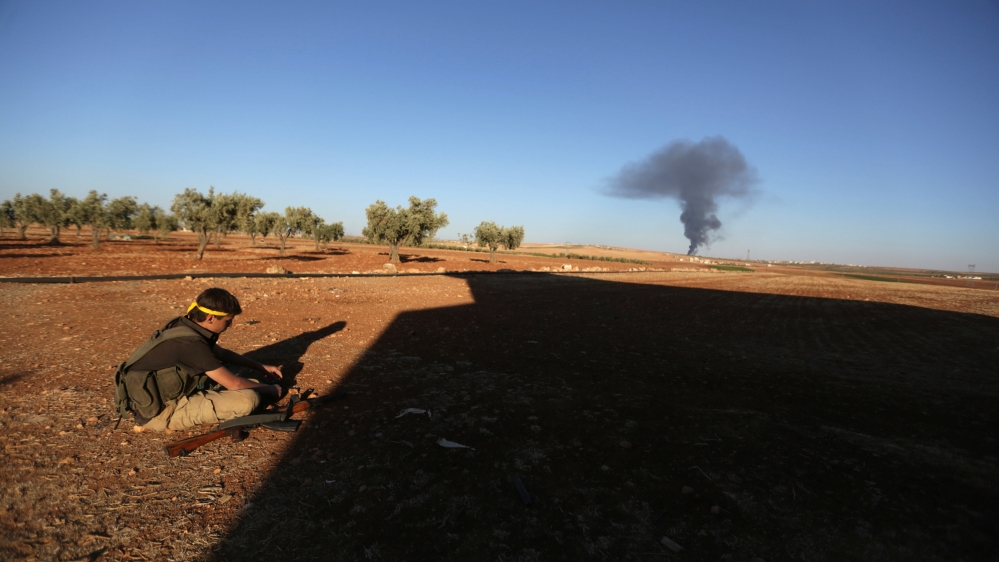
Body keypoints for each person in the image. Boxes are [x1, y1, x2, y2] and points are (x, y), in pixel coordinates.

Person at [117, 287, 285, 432]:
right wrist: (269, 389)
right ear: (210, 318)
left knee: (248, 383)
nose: (230, 326)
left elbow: (222, 354)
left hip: (153, 398)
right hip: (159, 413)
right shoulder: (190, 344)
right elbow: (234, 384)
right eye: (228, 321)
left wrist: (261, 366)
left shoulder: (185, 324)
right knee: (248, 399)